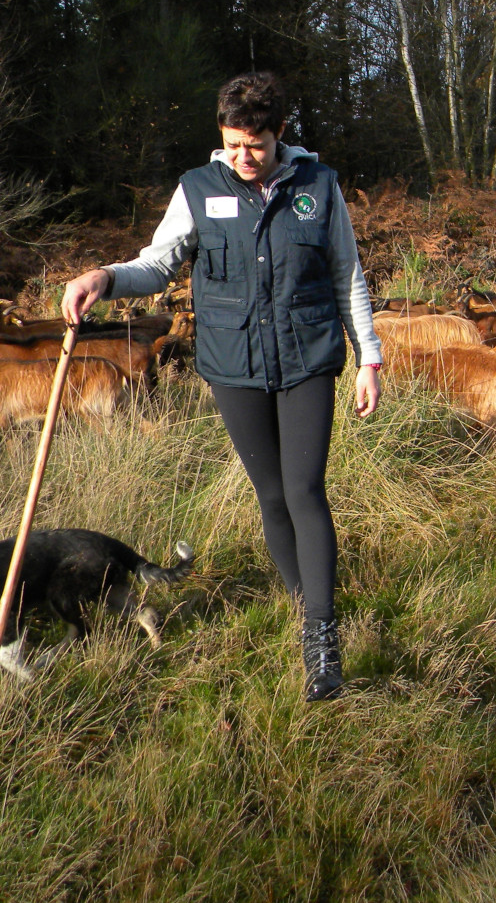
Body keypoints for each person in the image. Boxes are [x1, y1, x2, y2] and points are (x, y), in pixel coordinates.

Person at [61, 72, 383, 702]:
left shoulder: (318, 186)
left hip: (308, 359)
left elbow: (347, 274)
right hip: (234, 365)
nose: (242, 157)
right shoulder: (199, 189)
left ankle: (323, 639)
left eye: (255, 145)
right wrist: (103, 276)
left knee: (304, 488)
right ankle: (302, 602)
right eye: (232, 143)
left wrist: (368, 357)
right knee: (270, 494)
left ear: (280, 134)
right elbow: (157, 263)